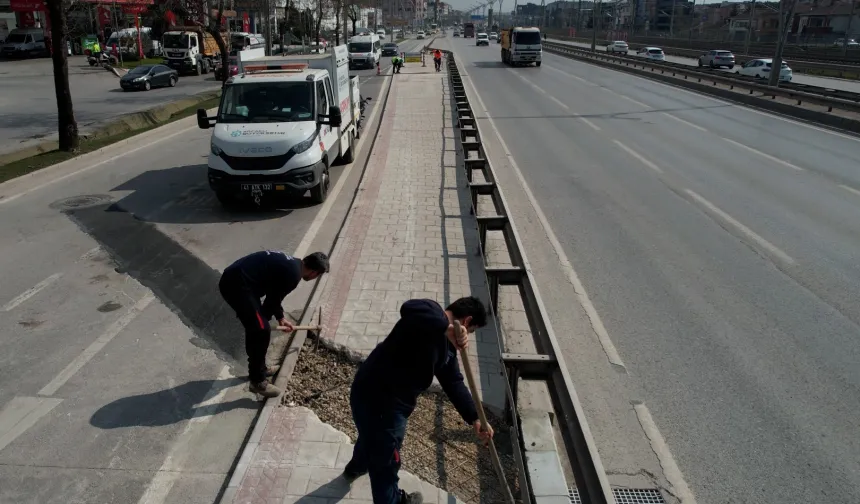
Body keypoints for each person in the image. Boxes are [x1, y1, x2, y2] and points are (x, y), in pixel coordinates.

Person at [344, 297, 494, 504]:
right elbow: (409, 307)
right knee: (386, 463)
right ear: (467, 322)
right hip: (382, 402)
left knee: (371, 435)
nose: (469, 335)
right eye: (473, 330)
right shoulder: (430, 313)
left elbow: (454, 382)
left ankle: (356, 467)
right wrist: (447, 328)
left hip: (378, 398)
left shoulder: (448, 349)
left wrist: (475, 417)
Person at [219, 250, 330, 397]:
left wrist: (280, 317)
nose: (316, 278)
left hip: (241, 282)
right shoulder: (294, 275)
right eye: (318, 275)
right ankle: (257, 381)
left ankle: (260, 369)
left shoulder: (293, 265)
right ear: (314, 272)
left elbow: (274, 295)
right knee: (261, 331)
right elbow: (271, 302)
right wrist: (261, 324)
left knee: (258, 328)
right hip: (237, 286)